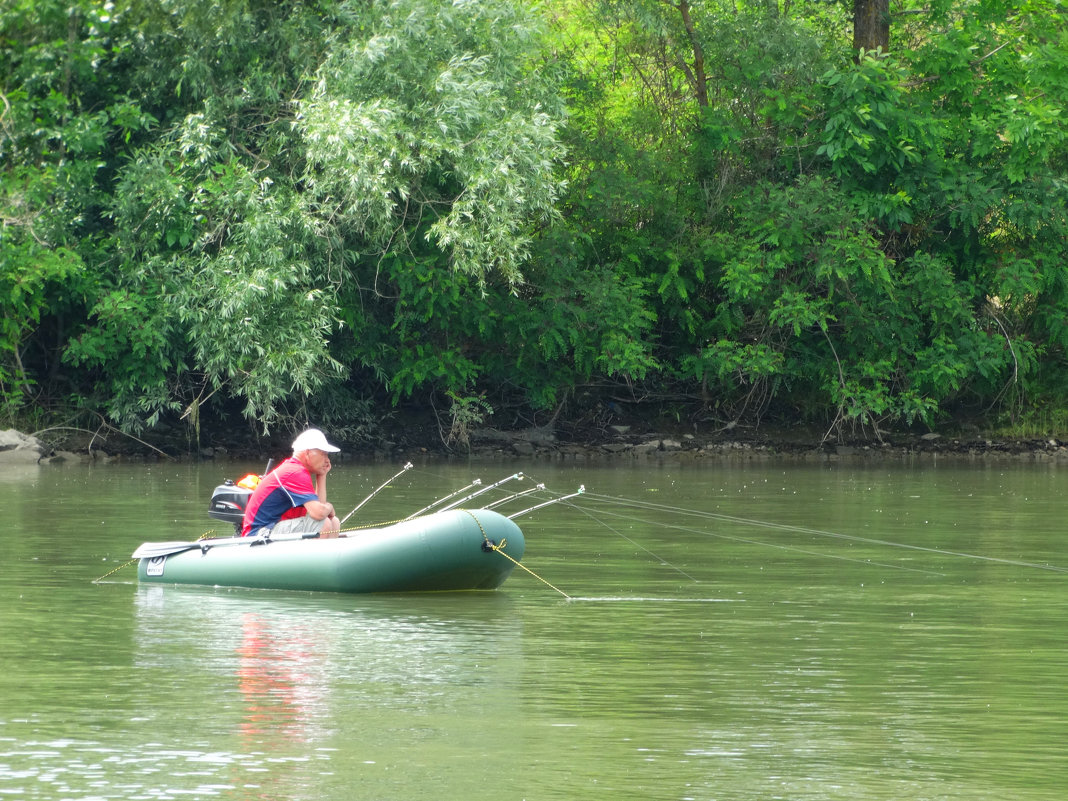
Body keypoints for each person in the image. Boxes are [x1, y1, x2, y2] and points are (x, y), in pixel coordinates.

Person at [241, 428, 342, 539]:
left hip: (272, 529)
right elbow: (319, 513)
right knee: (324, 523)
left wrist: (322, 475)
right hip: (258, 534)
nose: (327, 460)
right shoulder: (295, 472)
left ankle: (326, 555)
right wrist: (329, 507)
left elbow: (320, 510)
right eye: (323, 454)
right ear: (307, 453)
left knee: (334, 522)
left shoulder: (297, 470)